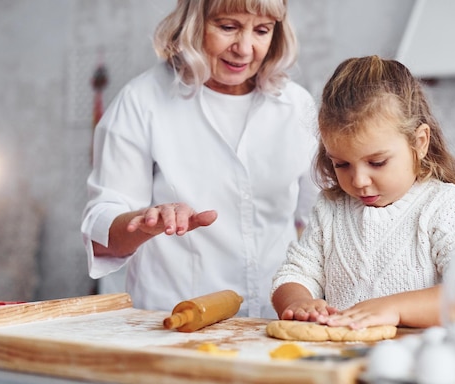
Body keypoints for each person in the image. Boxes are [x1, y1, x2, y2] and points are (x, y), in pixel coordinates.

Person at [81, 0, 318, 318]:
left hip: (273, 321)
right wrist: (147, 222)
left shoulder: (296, 105)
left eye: (261, 30)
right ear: (193, 22)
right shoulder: (142, 101)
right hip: (173, 321)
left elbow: (323, 221)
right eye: (228, 27)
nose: (244, 48)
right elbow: (101, 236)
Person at [271, 56, 455, 329]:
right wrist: (297, 302)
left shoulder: (447, 206)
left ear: (420, 142)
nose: (359, 180)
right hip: (342, 363)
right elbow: (295, 273)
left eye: (377, 162)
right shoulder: (330, 208)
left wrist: (393, 309)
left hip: (418, 364)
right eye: (341, 164)